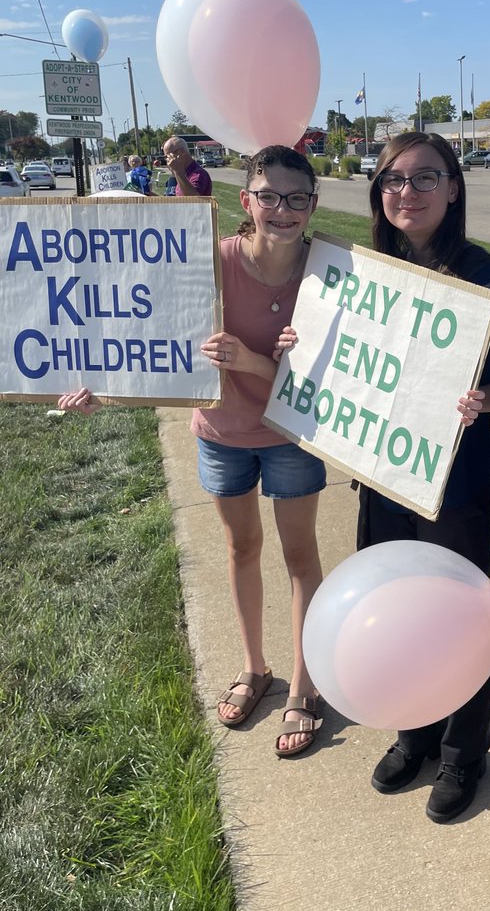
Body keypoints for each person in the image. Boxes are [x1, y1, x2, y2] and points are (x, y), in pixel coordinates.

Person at [59, 145, 328, 759]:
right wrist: (106, 386)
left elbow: (321, 385)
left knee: (299, 556)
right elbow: (147, 329)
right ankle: (256, 667)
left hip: (293, 437)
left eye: (295, 198)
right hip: (222, 433)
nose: (280, 210)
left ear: (312, 205)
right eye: (268, 196)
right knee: (241, 547)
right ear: (247, 200)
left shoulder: (329, 278)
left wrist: (255, 359)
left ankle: (306, 687)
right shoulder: (209, 258)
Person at [361, 131, 490, 822]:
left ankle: (463, 752)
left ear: (454, 188)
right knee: (399, 610)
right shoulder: (362, 274)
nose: (408, 192)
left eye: (426, 178)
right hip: (381, 467)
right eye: (394, 179)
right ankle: (415, 731)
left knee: (457, 616)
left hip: (456, 478)